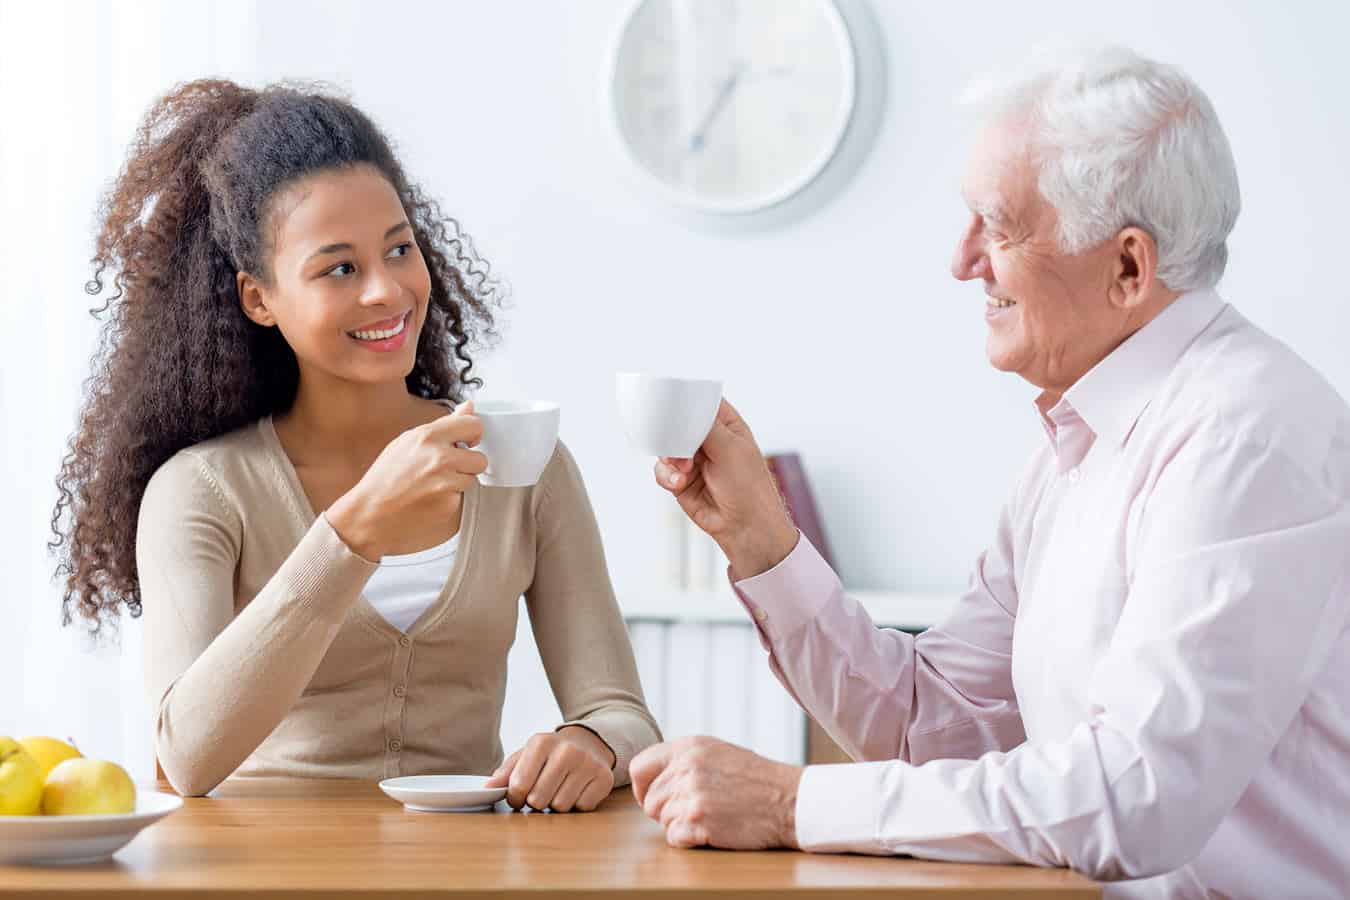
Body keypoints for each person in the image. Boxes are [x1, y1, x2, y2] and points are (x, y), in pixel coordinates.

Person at [630, 45, 1350, 898]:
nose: (963, 260)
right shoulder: (1080, 443)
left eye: (999, 225)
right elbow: (928, 725)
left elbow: (1136, 796)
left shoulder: (1246, 437)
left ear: (1127, 267)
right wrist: (761, 539)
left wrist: (791, 803)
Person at [50, 79, 660, 810]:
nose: (386, 290)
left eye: (399, 249)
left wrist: (591, 743)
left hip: (460, 868)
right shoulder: (203, 490)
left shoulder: (525, 466)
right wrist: (353, 532)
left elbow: (623, 714)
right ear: (259, 298)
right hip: (257, 875)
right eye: (339, 268)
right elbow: (184, 757)